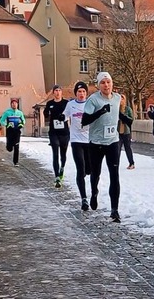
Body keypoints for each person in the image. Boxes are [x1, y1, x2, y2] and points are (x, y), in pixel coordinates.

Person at [81, 72, 131, 223]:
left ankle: (114, 210)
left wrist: (125, 119)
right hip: (96, 143)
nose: (106, 85)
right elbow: (85, 120)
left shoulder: (117, 98)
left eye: (108, 82)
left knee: (114, 175)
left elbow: (115, 114)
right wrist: (100, 112)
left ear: (112, 84)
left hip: (113, 142)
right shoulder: (93, 100)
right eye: (103, 82)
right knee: (95, 174)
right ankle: (94, 192)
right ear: (98, 85)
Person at [63, 81, 92, 211]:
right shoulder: (71, 105)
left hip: (89, 141)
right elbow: (64, 116)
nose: (81, 94)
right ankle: (84, 199)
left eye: (83, 92)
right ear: (76, 93)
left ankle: (88, 174)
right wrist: (61, 117)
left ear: (86, 93)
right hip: (76, 140)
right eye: (79, 92)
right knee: (80, 169)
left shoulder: (90, 104)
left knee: (89, 170)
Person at [44, 85, 70, 188]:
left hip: (64, 132)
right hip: (53, 132)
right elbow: (46, 114)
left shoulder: (66, 103)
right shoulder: (50, 103)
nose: (58, 92)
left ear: (61, 92)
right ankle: (57, 177)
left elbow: (70, 115)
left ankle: (62, 167)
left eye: (59, 90)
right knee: (55, 154)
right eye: (56, 90)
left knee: (63, 155)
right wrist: (46, 112)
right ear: (53, 92)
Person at [0, 99, 25, 166]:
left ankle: (15, 162)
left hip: (17, 131)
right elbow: (1, 120)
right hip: (10, 131)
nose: (14, 104)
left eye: (15, 103)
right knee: (9, 148)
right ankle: (9, 146)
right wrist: (6, 125)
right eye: (13, 103)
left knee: (16, 146)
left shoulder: (20, 113)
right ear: (11, 104)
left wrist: (21, 124)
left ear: (17, 104)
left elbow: (23, 121)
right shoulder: (7, 112)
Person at [119, 93, 135, 169]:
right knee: (117, 148)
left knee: (127, 148)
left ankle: (131, 163)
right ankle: (116, 164)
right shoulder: (116, 108)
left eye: (122, 98)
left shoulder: (128, 109)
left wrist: (123, 116)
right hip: (118, 132)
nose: (120, 100)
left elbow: (131, 119)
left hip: (126, 132)